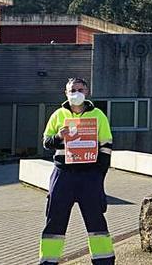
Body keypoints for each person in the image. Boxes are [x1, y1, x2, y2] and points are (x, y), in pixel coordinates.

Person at [39, 77, 115, 265]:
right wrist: (59, 136)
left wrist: (99, 175)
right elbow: (46, 142)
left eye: (79, 89)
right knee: (54, 219)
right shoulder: (58, 115)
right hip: (62, 174)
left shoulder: (98, 115)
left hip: (89, 176)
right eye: (72, 90)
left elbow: (106, 146)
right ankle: (48, 261)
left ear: (87, 91)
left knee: (96, 220)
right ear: (66, 93)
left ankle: (104, 261)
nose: (76, 93)